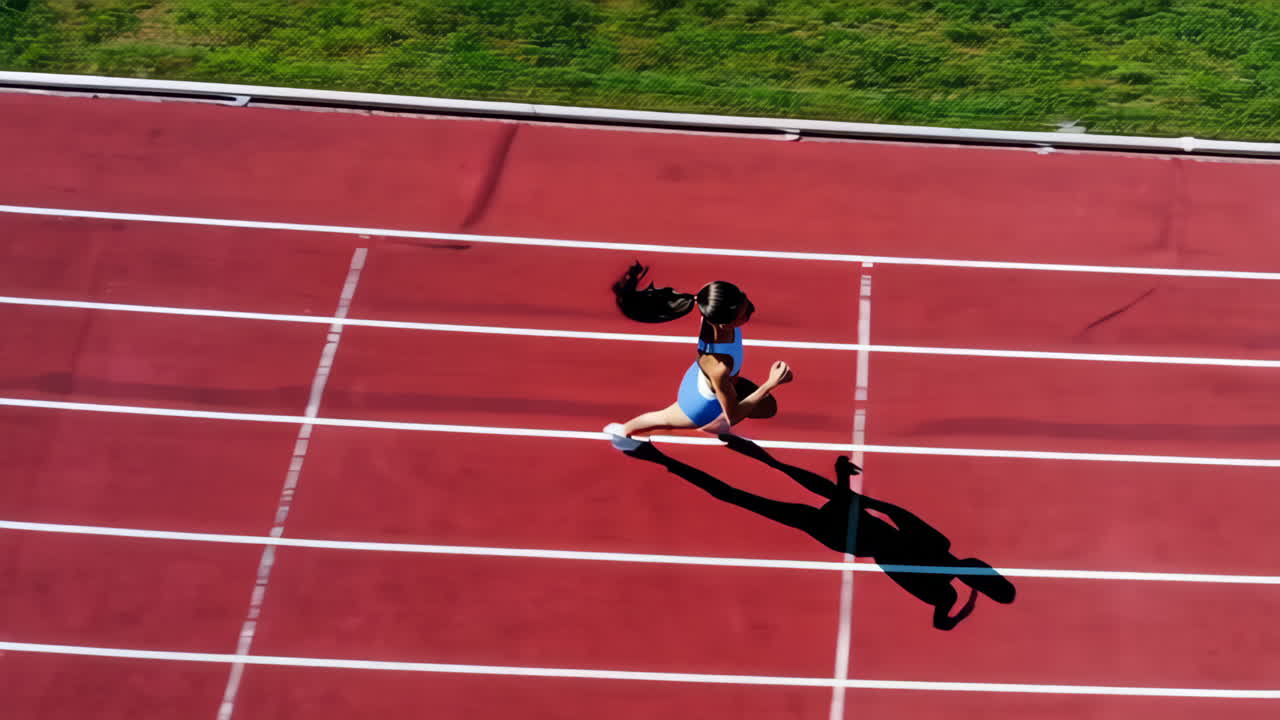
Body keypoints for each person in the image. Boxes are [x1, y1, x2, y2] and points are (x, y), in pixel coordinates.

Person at [603, 262, 793, 451]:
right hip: (698, 404)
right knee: (663, 419)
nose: (752, 310)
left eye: (746, 301)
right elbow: (733, 417)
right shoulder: (720, 366)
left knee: (767, 408)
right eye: (744, 314)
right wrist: (771, 383)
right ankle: (622, 432)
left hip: (714, 380)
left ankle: (716, 424)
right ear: (724, 325)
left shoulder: (709, 305)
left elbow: (711, 293)